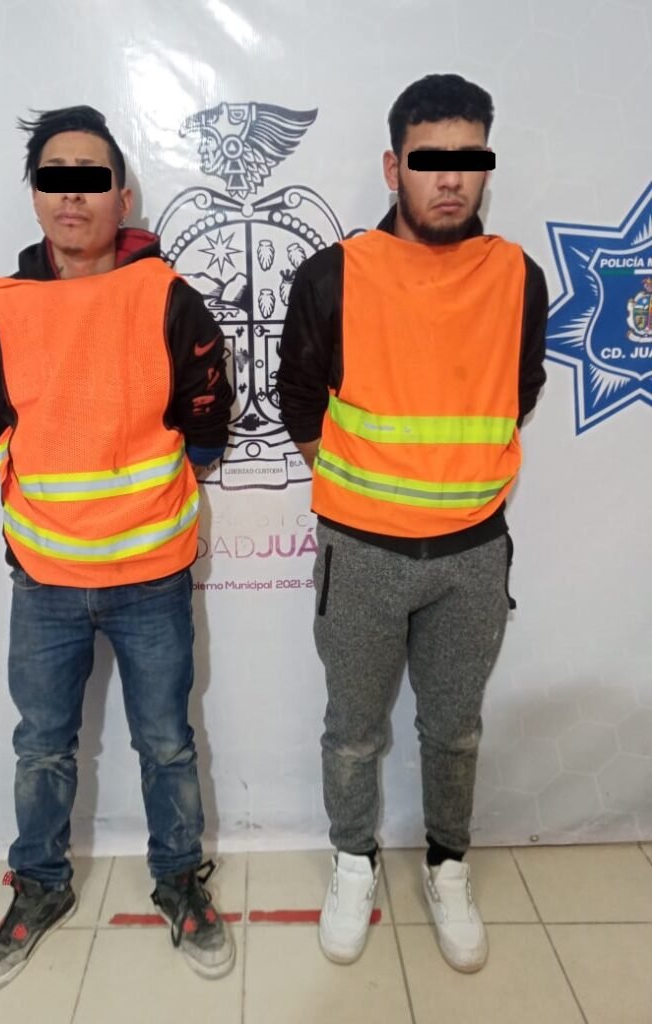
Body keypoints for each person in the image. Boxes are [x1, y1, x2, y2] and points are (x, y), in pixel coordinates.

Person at [0, 105, 235, 991]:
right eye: (55, 177)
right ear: (35, 194)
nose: (72, 195)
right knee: (42, 746)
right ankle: (39, 886)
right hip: (44, 577)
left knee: (167, 743)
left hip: (152, 575)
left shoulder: (166, 295)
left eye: (91, 178)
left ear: (121, 195)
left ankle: (179, 882)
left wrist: (144, 491)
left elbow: (208, 414)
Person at [277, 73, 547, 973]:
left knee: (455, 728)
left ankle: (447, 863)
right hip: (360, 552)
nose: (451, 179)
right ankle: (353, 862)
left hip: (473, 554)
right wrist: (368, 490)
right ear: (394, 167)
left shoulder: (517, 277)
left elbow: (519, 392)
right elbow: (299, 401)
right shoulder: (334, 275)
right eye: (430, 159)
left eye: (469, 159)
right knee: (354, 729)